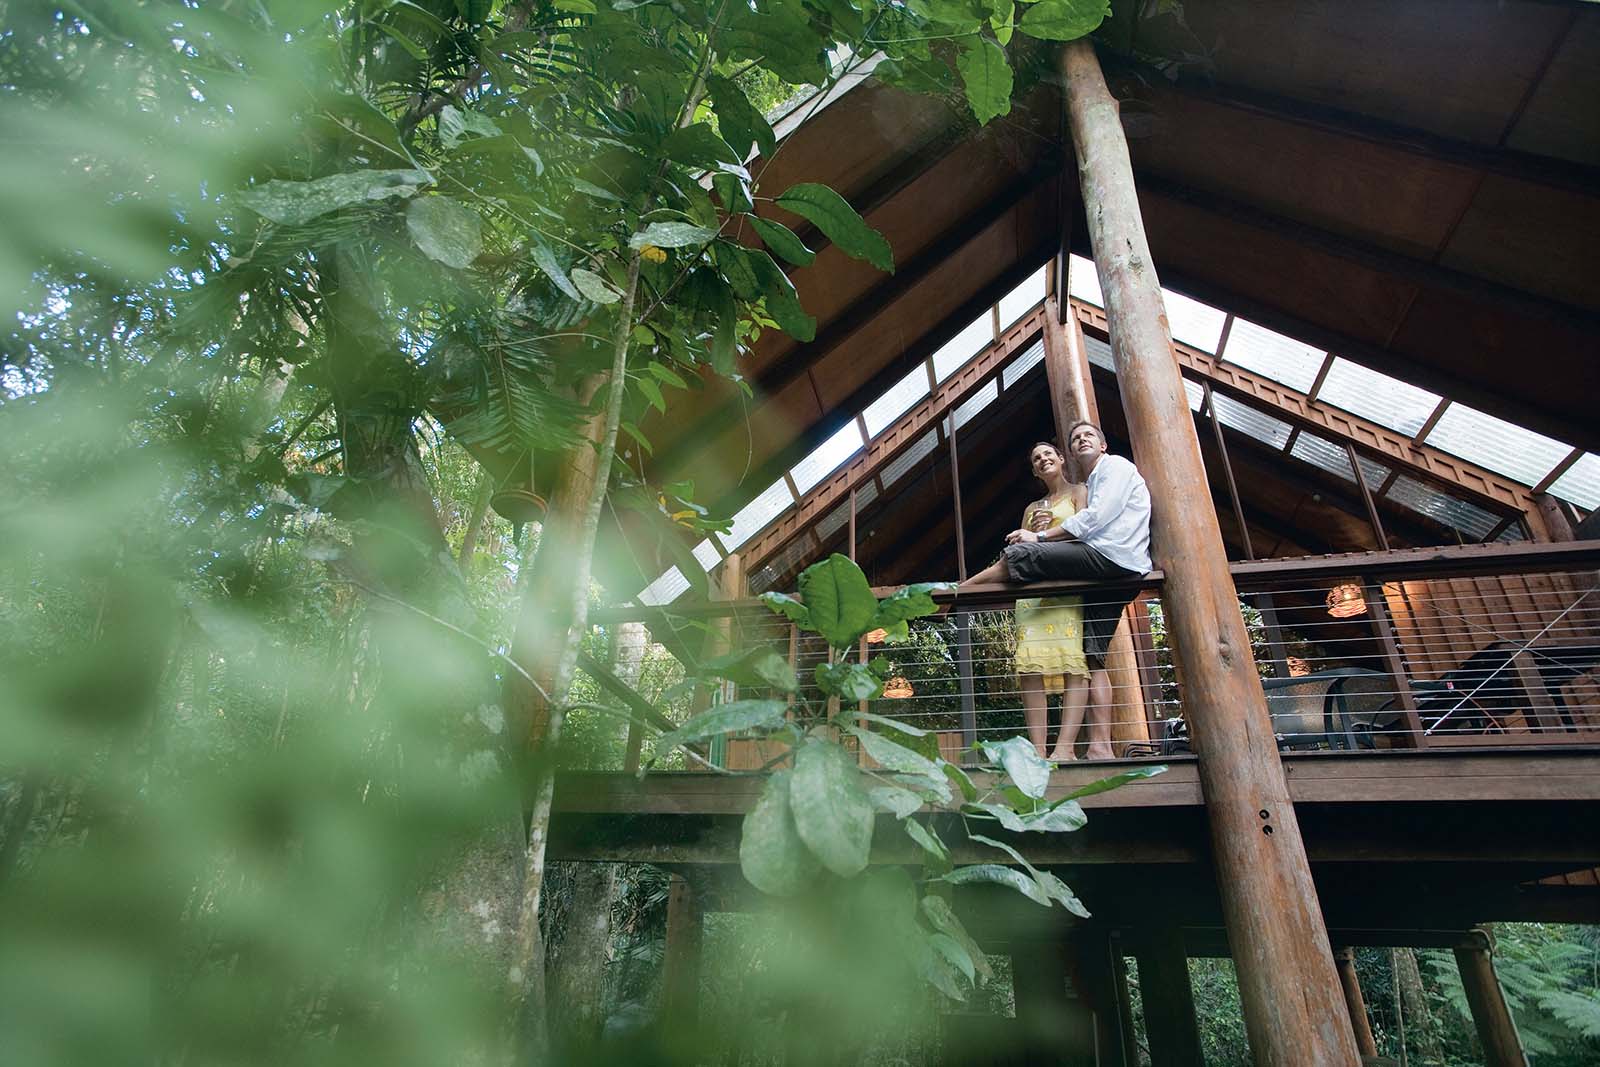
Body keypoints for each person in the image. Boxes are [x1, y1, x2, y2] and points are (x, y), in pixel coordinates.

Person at [960, 420, 1151, 760]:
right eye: (1076, 438)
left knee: (1023, 555)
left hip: (1111, 558)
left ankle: (961, 592)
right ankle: (1098, 747)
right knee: (1092, 657)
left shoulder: (1112, 470)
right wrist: (1039, 535)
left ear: (1101, 446)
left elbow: (1095, 520)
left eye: (1087, 435)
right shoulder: (1085, 483)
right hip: (1104, 571)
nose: (1081, 440)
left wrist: (1043, 537)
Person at [1012, 443, 1092, 761]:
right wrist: (1030, 531)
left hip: (1064, 587)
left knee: (1072, 662)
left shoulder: (1079, 491)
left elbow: (1085, 529)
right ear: (1034, 470)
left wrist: (1046, 535)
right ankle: (1038, 750)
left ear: (1060, 459)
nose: (1043, 459)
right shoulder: (1032, 508)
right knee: (1030, 667)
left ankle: (1064, 748)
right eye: (1036, 458)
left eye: (1048, 454)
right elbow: (1024, 545)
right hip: (1032, 594)